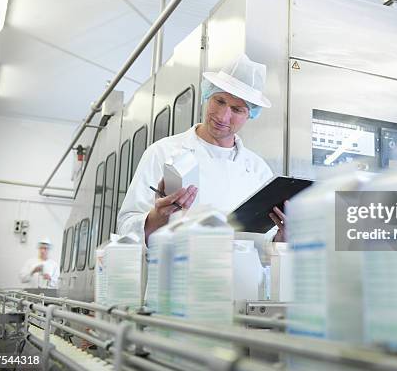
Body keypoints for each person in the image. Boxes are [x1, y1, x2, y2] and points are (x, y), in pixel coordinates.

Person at [117, 53, 287, 245]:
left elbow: (265, 245)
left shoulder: (258, 170)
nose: (222, 116)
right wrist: (157, 217)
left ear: (251, 114)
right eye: (220, 101)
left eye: (237, 109)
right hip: (178, 272)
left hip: (242, 274)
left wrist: (281, 238)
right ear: (208, 94)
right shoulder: (163, 152)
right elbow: (126, 227)